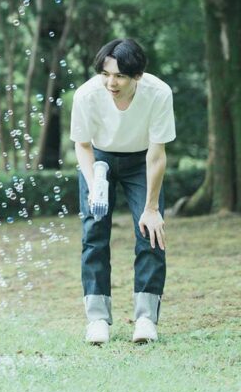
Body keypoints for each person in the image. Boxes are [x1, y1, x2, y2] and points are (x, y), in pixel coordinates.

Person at [69, 38, 176, 345]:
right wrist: (94, 186)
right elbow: (83, 145)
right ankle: (97, 318)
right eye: (106, 74)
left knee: (150, 233)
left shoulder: (158, 93)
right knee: (94, 233)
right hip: (98, 159)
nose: (111, 82)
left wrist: (152, 207)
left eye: (119, 76)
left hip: (141, 161)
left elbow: (157, 155)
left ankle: (145, 318)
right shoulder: (87, 94)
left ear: (137, 76)